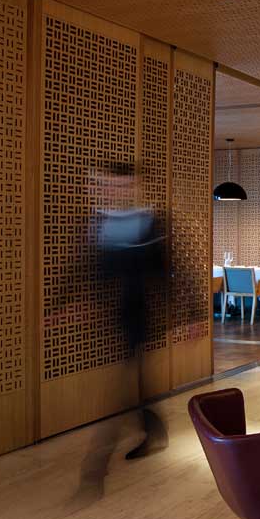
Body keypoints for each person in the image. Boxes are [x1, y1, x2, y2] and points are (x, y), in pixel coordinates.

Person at [54, 161, 170, 501]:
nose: (113, 191)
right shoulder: (98, 222)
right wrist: (64, 304)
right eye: (107, 185)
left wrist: (189, 314)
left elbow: (167, 271)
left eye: (122, 185)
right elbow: (82, 267)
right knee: (137, 384)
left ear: (135, 187)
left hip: (138, 315)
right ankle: (154, 429)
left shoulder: (150, 222)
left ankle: (93, 473)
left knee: (118, 393)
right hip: (107, 318)